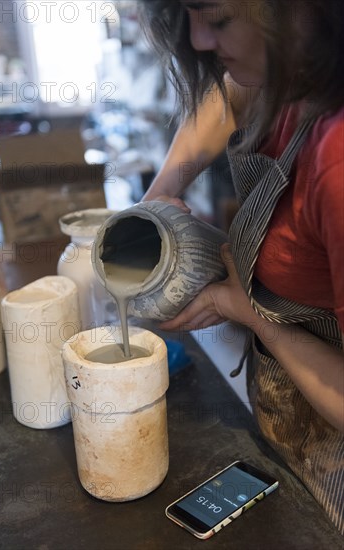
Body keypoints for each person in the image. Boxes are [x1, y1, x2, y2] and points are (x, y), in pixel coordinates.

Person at [139, 0, 344, 534]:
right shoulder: (278, 76)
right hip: (290, 423)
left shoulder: (337, 159)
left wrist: (254, 317)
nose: (201, 41)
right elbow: (231, 97)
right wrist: (159, 194)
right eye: (191, 18)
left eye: (220, 19)